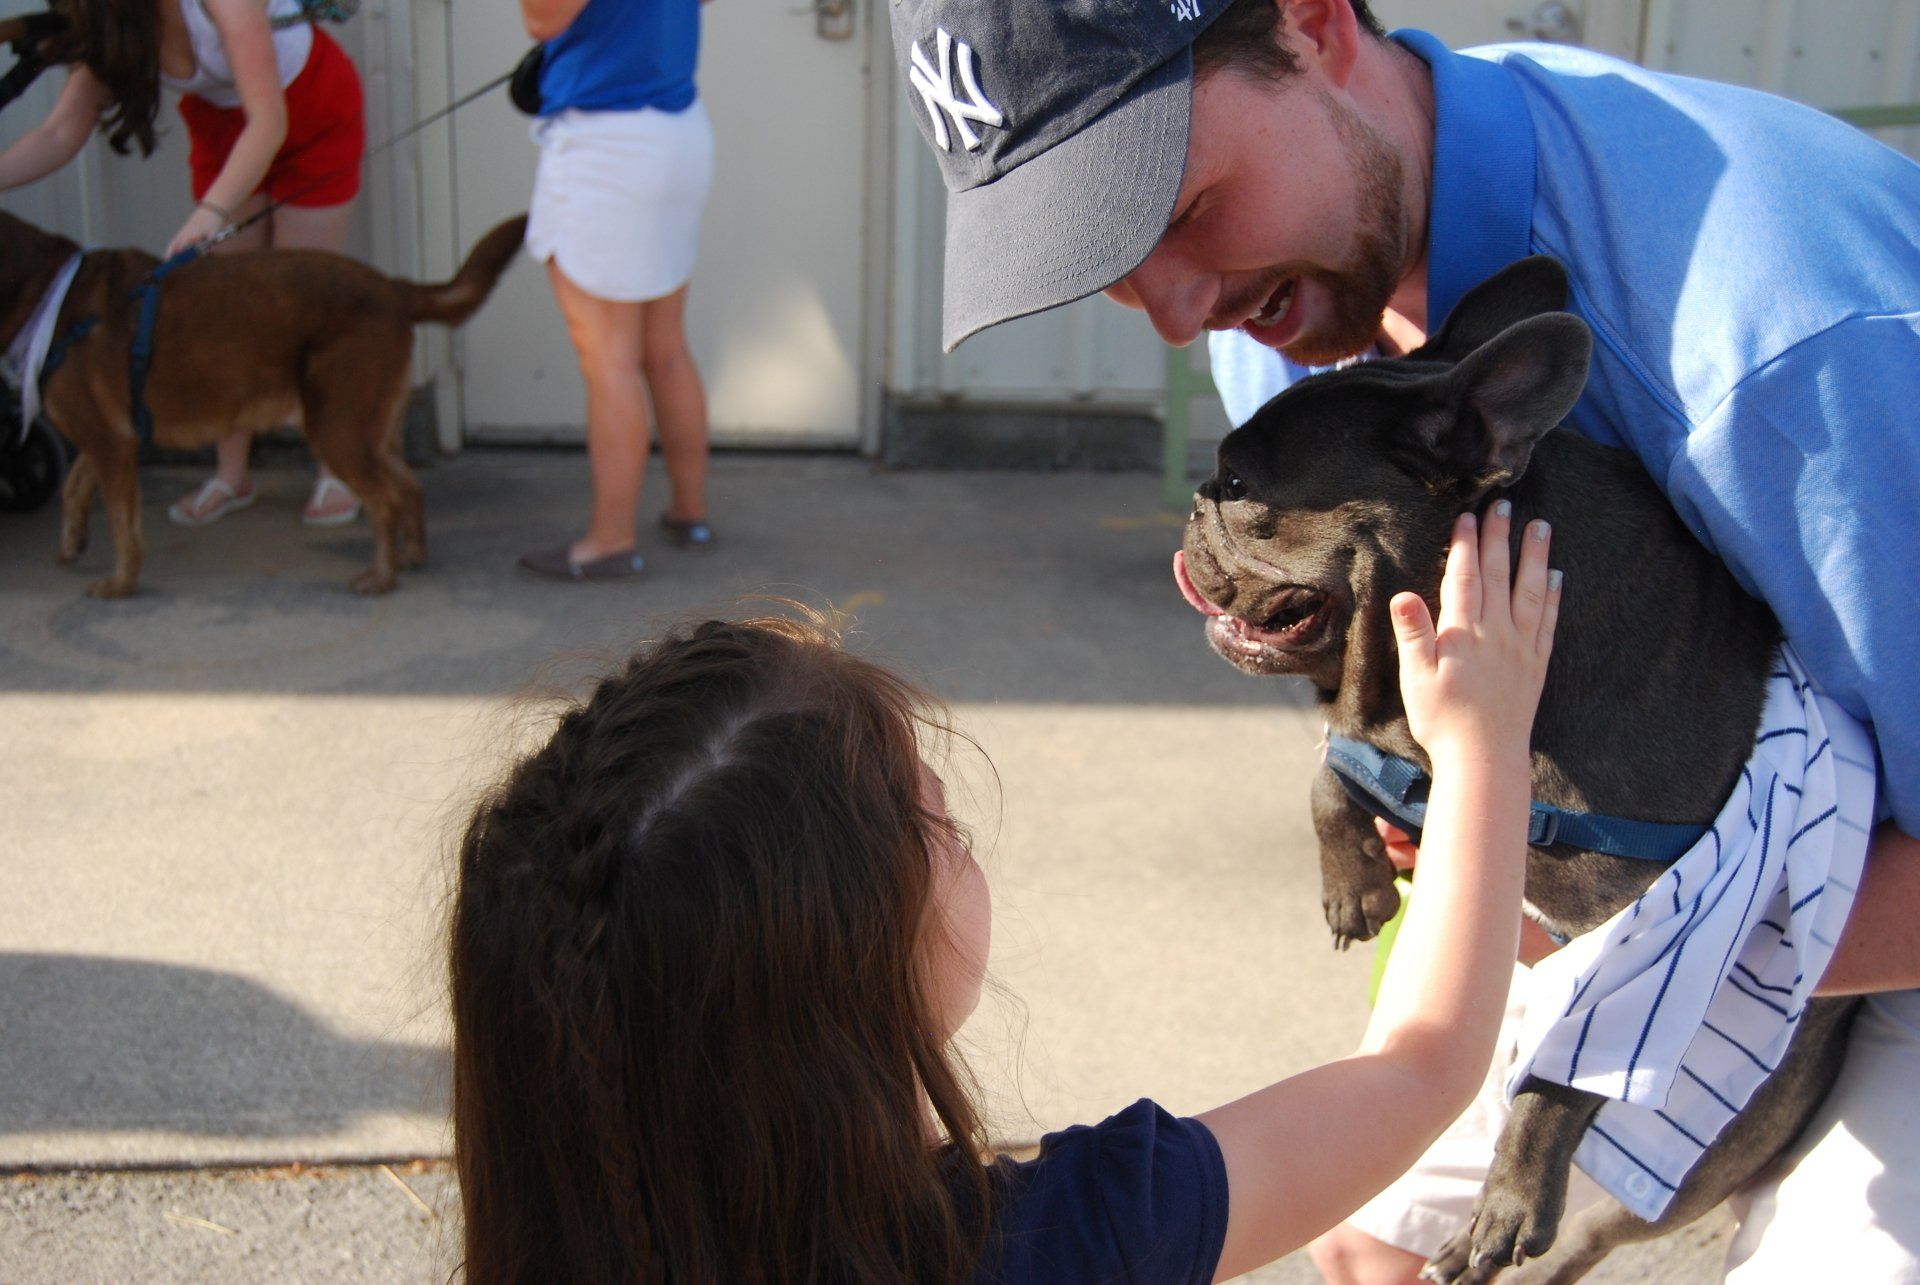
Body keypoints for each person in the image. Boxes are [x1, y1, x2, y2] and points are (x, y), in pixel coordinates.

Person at [882, 0, 1920, 1278]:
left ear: (1312, 21)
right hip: (1643, 897)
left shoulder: (1784, 345)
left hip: (1853, 907)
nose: (1175, 309)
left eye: (1185, 205)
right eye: (1108, 257)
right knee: (1371, 1248)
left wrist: (1591, 931)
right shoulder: (1290, 316)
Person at [451, 515, 1557, 1282]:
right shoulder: (1078, 1239)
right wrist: (1482, 747)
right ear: (863, 965)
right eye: (938, 825)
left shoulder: (560, 1231)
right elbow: (1422, 1066)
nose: (961, 834)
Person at [0, 0, 366, 528]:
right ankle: (231, 473)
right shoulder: (113, 21)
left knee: (304, 302)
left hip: (308, 110)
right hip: (223, 129)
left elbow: (269, 121)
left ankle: (335, 466)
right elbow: (58, 134)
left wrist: (209, 214)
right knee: (228, 315)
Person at [513, 0, 716, 582]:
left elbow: (542, 18)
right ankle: (689, 514)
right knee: (665, 345)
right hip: (677, 127)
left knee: (609, 361)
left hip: (608, 142)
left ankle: (608, 542)